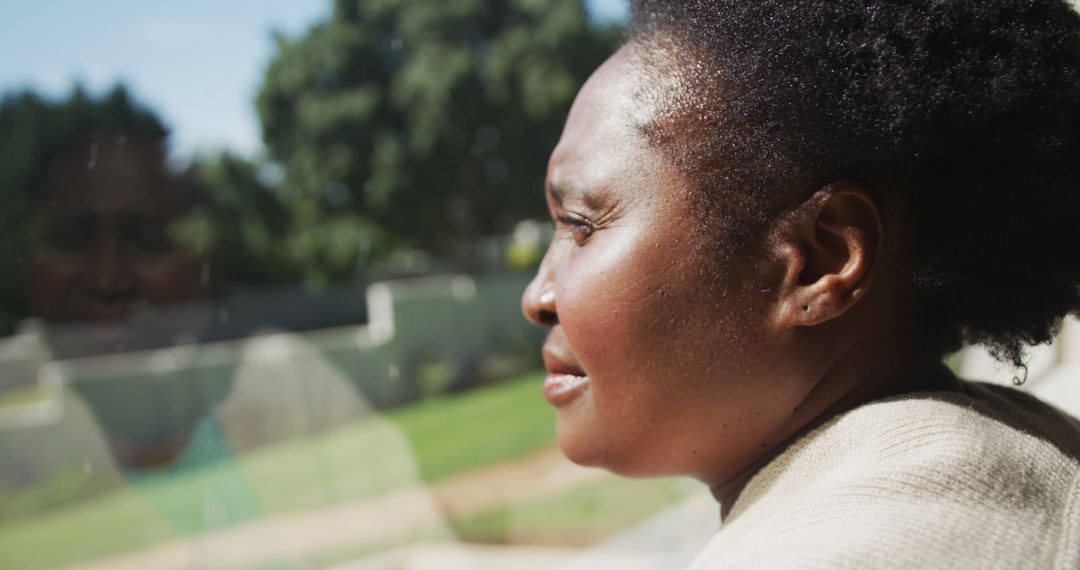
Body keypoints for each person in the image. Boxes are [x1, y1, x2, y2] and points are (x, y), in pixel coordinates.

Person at [521, 1, 1080, 568]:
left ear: (818, 262)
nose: (536, 299)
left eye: (580, 225)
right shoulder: (1031, 449)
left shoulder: (837, 551)